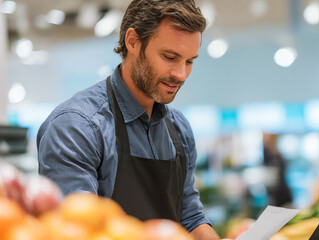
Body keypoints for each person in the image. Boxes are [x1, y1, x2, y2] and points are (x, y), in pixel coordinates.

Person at [37, 0, 222, 239]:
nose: (180, 74)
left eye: (189, 61)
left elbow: (190, 217)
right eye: (169, 57)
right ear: (133, 41)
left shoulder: (179, 129)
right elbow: (79, 231)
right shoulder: (76, 127)